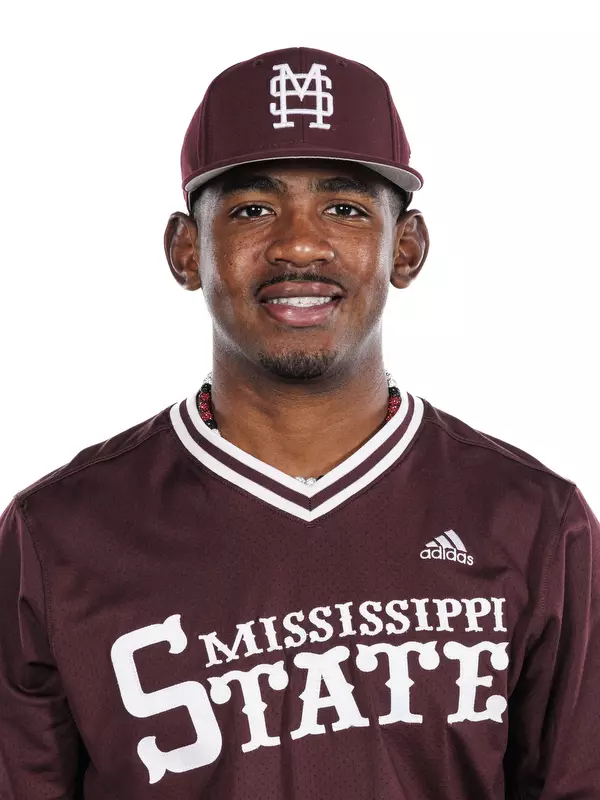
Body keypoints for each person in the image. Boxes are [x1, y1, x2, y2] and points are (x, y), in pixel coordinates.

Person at [0, 46, 598, 800]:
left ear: (405, 249)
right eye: (253, 209)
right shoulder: (57, 536)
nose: (299, 245)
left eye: (344, 208)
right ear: (186, 251)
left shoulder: (535, 522)